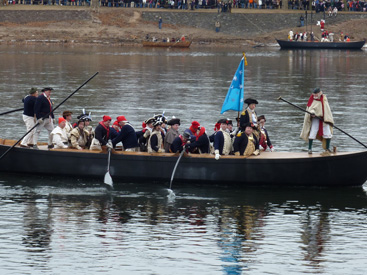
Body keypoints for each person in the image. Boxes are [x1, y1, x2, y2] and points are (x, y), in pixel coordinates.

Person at [300, 88, 334, 155]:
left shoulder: (324, 99)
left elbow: (327, 110)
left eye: (316, 94)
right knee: (313, 132)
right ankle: (310, 149)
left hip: (324, 119)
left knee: (328, 133)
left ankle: (327, 149)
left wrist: (327, 118)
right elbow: (311, 108)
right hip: (316, 118)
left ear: (320, 93)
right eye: (314, 94)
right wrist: (312, 113)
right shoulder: (312, 100)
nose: (315, 95)